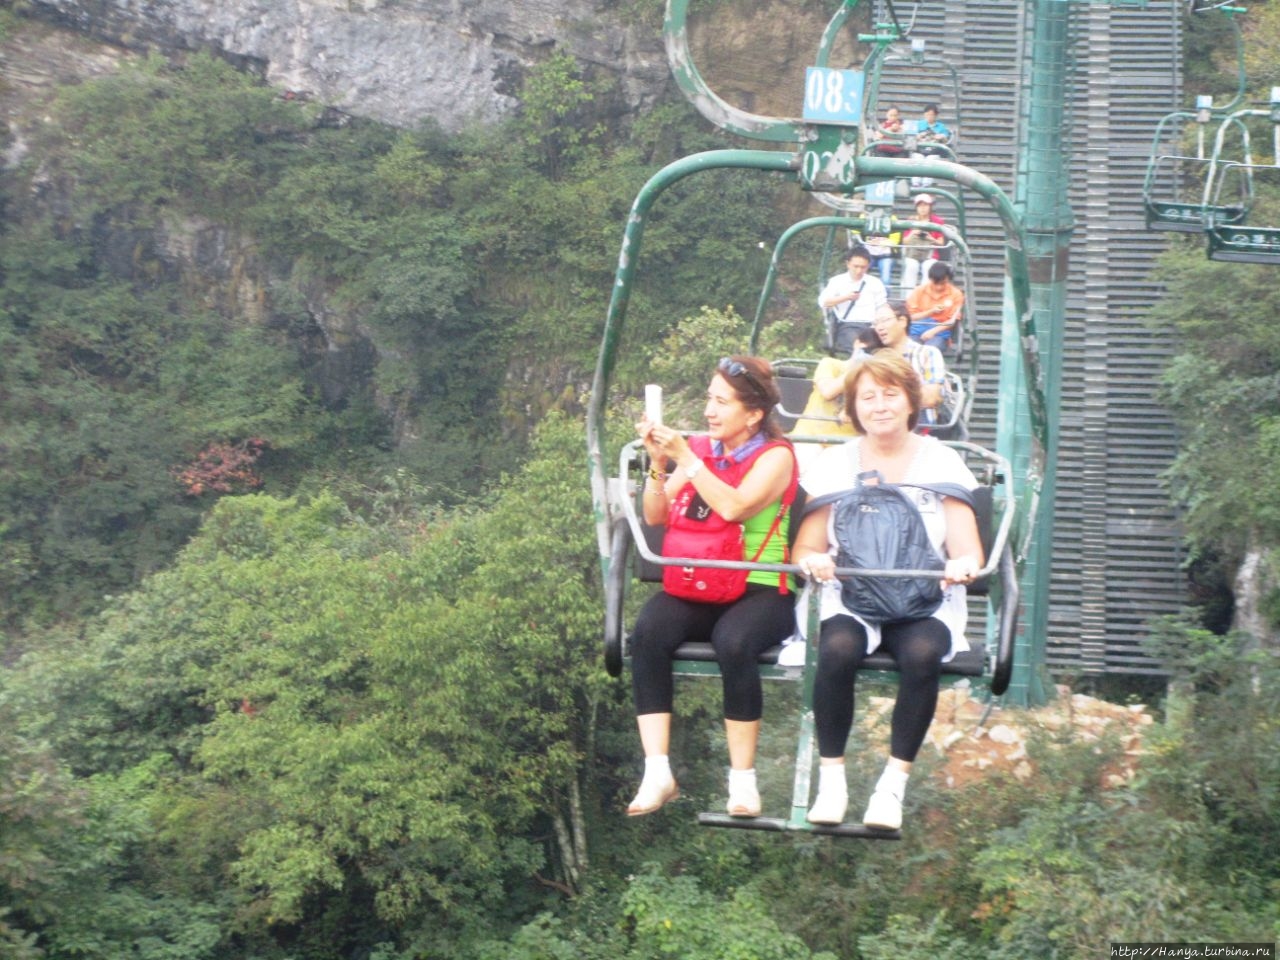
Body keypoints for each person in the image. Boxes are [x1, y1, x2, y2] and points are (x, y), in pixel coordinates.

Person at [791, 352, 984, 830]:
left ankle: (891, 786)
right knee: (836, 649)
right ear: (853, 407)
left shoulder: (943, 462)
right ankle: (832, 780)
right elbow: (806, 546)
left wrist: (962, 566)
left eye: (890, 394)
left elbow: (967, 550)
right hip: (851, 595)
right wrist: (815, 561)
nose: (880, 406)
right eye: (868, 397)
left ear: (910, 401)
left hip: (922, 597)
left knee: (921, 655)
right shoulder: (834, 465)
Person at [628, 357, 799, 818]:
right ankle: (657, 769)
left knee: (734, 641)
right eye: (708, 398)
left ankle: (742, 780)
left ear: (754, 414)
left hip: (762, 588)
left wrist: (687, 457)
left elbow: (736, 508)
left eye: (722, 402)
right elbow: (655, 515)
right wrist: (659, 464)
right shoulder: (703, 449)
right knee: (648, 631)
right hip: (704, 582)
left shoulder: (775, 457)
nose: (709, 411)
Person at [872, 300, 948, 427]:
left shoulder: (927, 354)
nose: (879, 327)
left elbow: (931, 398)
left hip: (919, 427)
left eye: (885, 320)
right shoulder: (875, 359)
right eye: (875, 323)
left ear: (902, 321)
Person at [818, 245, 888, 356]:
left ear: (868, 266)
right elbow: (824, 302)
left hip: (871, 325)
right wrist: (846, 297)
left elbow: (882, 306)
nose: (859, 270)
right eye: (855, 266)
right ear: (848, 264)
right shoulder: (837, 281)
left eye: (863, 267)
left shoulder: (875, 283)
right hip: (848, 325)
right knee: (857, 349)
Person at [906, 260, 964, 352]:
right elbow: (912, 316)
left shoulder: (956, 294)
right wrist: (931, 311)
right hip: (916, 331)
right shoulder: (919, 291)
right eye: (935, 283)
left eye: (943, 283)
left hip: (939, 333)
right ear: (930, 279)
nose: (939, 287)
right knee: (909, 350)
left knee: (929, 351)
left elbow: (952, 320)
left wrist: (933, 331)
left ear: (948, 279)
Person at [898, 193, 947, 295]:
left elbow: (941, 242)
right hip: (913, 253)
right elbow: (905, 242)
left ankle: (925, 296)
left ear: (930, 207)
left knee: (928, 267)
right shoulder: (911, 221)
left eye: (925, 205)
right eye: (920, 206)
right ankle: (909, 297)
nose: (923, 208)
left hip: (930, 254)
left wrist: (930, 238)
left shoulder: (937, 221)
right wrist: (913, 233)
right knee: (911, 265)